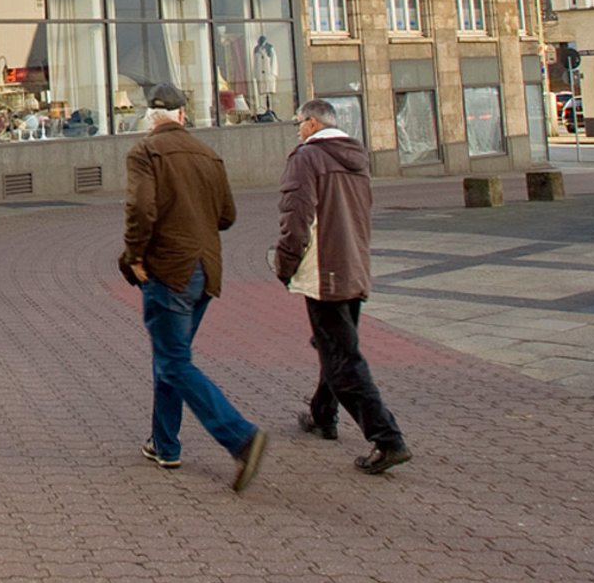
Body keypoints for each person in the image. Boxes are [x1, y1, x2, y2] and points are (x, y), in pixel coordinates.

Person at [119, 82, 267, 492]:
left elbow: (140, 209)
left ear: (151, 118)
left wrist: (133, 255)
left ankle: (240, 437)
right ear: (183, 115)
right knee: (172, 356)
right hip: (205, 271)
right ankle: (165, 444)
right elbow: (227, 215)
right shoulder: (208, 154)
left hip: (168, 269)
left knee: (173, 362)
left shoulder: (145, 152)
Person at [274, 98, 411, 476]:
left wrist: (284, 265)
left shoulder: (307, 158)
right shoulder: (356, 157)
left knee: (342, 359)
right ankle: (322, 414)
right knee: (334, 344)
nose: (297, 130)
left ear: (313, 124)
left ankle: (387, 438)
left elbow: (295, 218)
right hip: (353, 266)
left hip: (324, 271)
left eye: (299, 123)